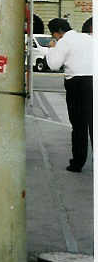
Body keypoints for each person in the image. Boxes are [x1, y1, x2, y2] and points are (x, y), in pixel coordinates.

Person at [46, 18, 94, 173]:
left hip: (76, 83)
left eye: (53, 34)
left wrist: (51, 48)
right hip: (93, 79)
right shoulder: (88, 38)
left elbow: (54, 65)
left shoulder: (63, 42)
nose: (54, 37)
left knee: (79, 125)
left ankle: (77, 163)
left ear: (58, 31)